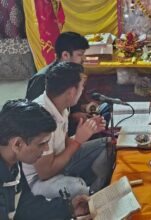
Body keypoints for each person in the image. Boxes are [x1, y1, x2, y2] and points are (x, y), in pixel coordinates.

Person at [22, 61, 112, 199]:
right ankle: (89, 197)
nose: (83, 90)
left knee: (109, 145)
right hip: (40, 180)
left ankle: (94, 192)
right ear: (71, 92)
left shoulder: (61, 105)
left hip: (60, 160)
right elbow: (45, 173)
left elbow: (63, 145)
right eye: (82, 87)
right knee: (78, 188)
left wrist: (87, 131)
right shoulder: (40, 118)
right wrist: (78, 140)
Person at [0, 99, 91, 219]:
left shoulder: (13, 163)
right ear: (17, 144)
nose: (46, 148)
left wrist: (69, 208)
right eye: (41, 144)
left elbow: (27, 205)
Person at [25, 31, 90, 136]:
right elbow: (36, 117)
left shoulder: (71, 74)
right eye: (80, 55)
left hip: (66, 126)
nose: (84, 59)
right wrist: (73, 117)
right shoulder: (42, 79)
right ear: (65, 55)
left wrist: (83, 108)